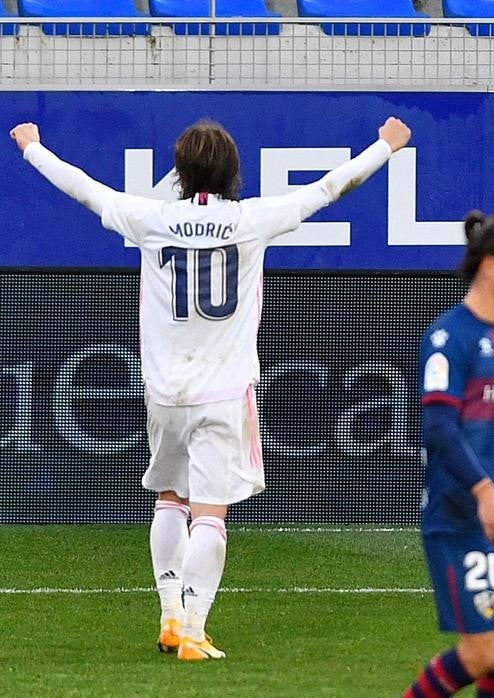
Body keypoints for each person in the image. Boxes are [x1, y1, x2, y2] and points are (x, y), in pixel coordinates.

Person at [10, 116, 410, 659]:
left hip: (163, 394)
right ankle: (194, 629)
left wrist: (33, 149)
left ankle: (171, 616)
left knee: (169, 500)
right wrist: (385, 146)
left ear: (179, 171)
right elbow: (330, 188)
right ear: (231, 172)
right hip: (223, 393)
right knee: (211, 512)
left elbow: (83, 187)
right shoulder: (251, 220)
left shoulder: (152, 219)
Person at [408, 212, 494, 698]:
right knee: (485, 649)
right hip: (464, 518)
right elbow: (438, 428)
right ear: (489, 266)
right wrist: (485, 494)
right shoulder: (448, 339)